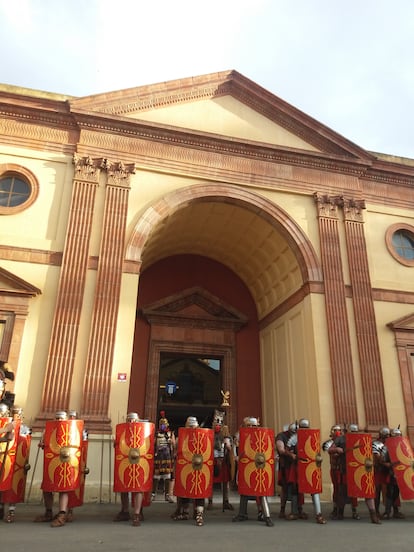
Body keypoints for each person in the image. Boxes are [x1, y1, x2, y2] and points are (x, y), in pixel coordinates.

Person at [34, 410, 84, 527]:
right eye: (57, 418)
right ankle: (48, 512)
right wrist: (42, 444)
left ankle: (62, 514)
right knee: (47, 488)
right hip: (52, 463)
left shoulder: (71, 430)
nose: (59, 421)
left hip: (66, 463)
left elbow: (76, 447)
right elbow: (45, 445)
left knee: (64, 488)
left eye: (61, 418)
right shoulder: (49, 430)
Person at [328, 423, 380, 524]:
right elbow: (330, 449)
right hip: (346, 469)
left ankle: (373, 515)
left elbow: (370, 452)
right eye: (352, 432)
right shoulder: (341, 439)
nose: (354, 434)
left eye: (355, 432)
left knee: (367, 492)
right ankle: (340, 513)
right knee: (342, 492)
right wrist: (336, 449)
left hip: (361, 469)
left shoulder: (363, 439)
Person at [113, 412, 154, 526]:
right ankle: (125, 511)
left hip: (140, 462)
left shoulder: (143, 433)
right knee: (123, 487)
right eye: (129, 420)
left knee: (138, 488)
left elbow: (148, 446)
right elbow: (120, 445)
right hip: (126, 461)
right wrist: (116, 444)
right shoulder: (124, 432)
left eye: (133, 420)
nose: (131, 422)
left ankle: (137, 513)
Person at [232, 416, 274, 527]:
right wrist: (236, 457)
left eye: (254, 425)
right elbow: (235, 448)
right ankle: (242, 513)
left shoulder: (262, 435)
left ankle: (265, 515)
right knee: (244, 490)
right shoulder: (240, 435)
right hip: (246, 465)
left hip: (259, 466)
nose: (251, 427)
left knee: (262, 492)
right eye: (249, 425)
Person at [171, 415, 210, 526]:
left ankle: (199, 514)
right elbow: (177, 453)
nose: (192, 429)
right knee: (185, 488)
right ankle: (185, 512)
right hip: (186, 466)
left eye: (194, 426)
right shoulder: (181, 438)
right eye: (190, 426)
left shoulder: (203, 436)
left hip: (200, 467)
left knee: (199, 490)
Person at [289, 418, 326, 524]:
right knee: (295, 489)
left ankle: (319, 514)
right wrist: (293, 455)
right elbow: (290, 450)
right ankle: (295, 511)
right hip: (298, 466)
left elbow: (316, 452)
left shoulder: (312, 437)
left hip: (311, 465)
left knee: (314, 489)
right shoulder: (295, 438)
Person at [0, 405, 31, 523]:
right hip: (4, 458)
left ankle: (11, 510)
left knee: (14, 485)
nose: (15, 416)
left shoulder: (24, 429)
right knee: (2, 483)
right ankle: (1, 506)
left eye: (17, 414)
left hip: (16, 461)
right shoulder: (5, 424)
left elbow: (24, 445)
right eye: (13, 413)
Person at [208, 408, 234, 511]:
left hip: (223, 459)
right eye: (216, 421)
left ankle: (226, 501)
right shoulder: (209, 433)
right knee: (210, 482)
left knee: (225, 482)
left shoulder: (225, 433)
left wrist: (228, 444)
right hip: (212, 459)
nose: (218, 423)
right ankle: (210, 501)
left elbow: (229, 445)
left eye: (220, 421)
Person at [378, 427, 405, 519]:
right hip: (392, 473)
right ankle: (387, 512)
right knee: (390, 492)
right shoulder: (387, 446)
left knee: (396, 493)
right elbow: (382, 460)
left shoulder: (403, 445)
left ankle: (396, 511)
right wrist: (388, 464)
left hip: (401, 473)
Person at [275, 422, 299, 519]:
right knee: (285, 488)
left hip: (297, 465)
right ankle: (282, 510)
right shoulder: (281, 436)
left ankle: (297, 510)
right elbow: (281, 449)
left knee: (296, 487)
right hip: (286, 465)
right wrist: (290, 454)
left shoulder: (300, 436)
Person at [152, 411, 175, 503]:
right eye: (161, 424)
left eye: (164, 424)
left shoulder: (170, 434)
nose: (163, 425)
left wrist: (171, 442)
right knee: (156, 476)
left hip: (167, 456)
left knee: (167, 476)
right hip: (158, 456)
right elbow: (153, 445)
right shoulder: (156, 434)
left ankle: (167, 495)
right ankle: (153, 494)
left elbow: (173, 445)